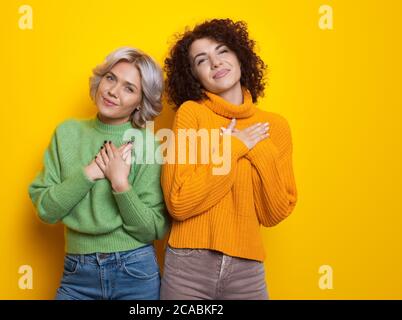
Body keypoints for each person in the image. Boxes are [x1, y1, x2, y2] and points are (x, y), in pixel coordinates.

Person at [160, 19, 298, 300]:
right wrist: (234, 148)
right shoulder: (191, 115)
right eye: (202, 60)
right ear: (194, 75)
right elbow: (179, 201)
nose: (215, 63)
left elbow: (274, 212)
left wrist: (257, 149)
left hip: (247, 269)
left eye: (222, 51)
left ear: (239, 56)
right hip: (188, 265)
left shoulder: (276, 127)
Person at [29, 47, 169, 300]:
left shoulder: (148, 145)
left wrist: (120, 183)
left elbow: (153, 230)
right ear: (101, 79)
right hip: (77, 272)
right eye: (111, 78)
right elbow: (46, 211)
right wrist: (89, 173)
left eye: (129, 88)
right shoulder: (67, 133)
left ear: (141, 102)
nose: (113, 91)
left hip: (135, 270)